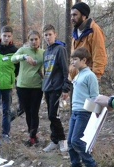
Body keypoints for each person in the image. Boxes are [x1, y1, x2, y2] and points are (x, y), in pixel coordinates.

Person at [67, 47, 101, 167]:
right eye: (72, 59)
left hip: (84, 112)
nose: (73, 62)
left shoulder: (90, 76)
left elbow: (95, 96)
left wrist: (94, 113)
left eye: (75, 59)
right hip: (75, 111)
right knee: (70, 142)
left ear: (84, 60)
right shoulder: (78, 74)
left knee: (77, 141)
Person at [11, 30, 44, 147]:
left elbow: (47, 66)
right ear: (28, 40)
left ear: (40, 40)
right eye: (31, 39)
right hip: (22, 86)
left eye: (36, 39)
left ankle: (33, 136)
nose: (34, 42)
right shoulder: (23, 50)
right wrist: (24, 57)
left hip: (37, 86)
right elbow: (13, 59)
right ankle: (32, 133)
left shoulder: (43, 52)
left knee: (34, 111)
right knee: (27, 111)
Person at [42, 24, 70, 152]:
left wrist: (65, 88)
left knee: (54, 115)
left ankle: (63, 140)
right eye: (46, 35)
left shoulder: (60, 49)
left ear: (55, 35)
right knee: (50, 115)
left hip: (57, 88)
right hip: (47, 88)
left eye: (50, 34)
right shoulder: (46, 52)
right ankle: (54, 140)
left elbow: (65, 69)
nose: (48, 37)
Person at [70, 2, 107, 81]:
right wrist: (70, 76)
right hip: (76, 79)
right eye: (71, 15)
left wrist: (95, 77)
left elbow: (99, 55)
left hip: (88, 78)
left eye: (75, 15)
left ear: (84, 16)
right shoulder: (75, 32)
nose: (72, 18)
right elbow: (73, 57)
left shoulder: (94, 30)